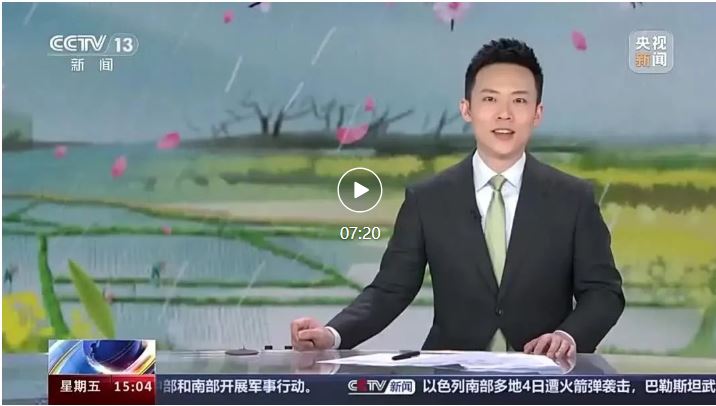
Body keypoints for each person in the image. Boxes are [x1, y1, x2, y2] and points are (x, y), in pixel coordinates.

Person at [290, 38, 624, 358]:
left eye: (519, 101)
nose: (504, 114)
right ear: (467, 109)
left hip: (543, 375)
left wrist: (567, 337)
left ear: (537, 113)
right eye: (490, 99)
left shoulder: (573, 199)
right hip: (450, 375)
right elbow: (390, 289)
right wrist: (332, 335)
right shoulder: (427, 200)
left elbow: (604, 292)